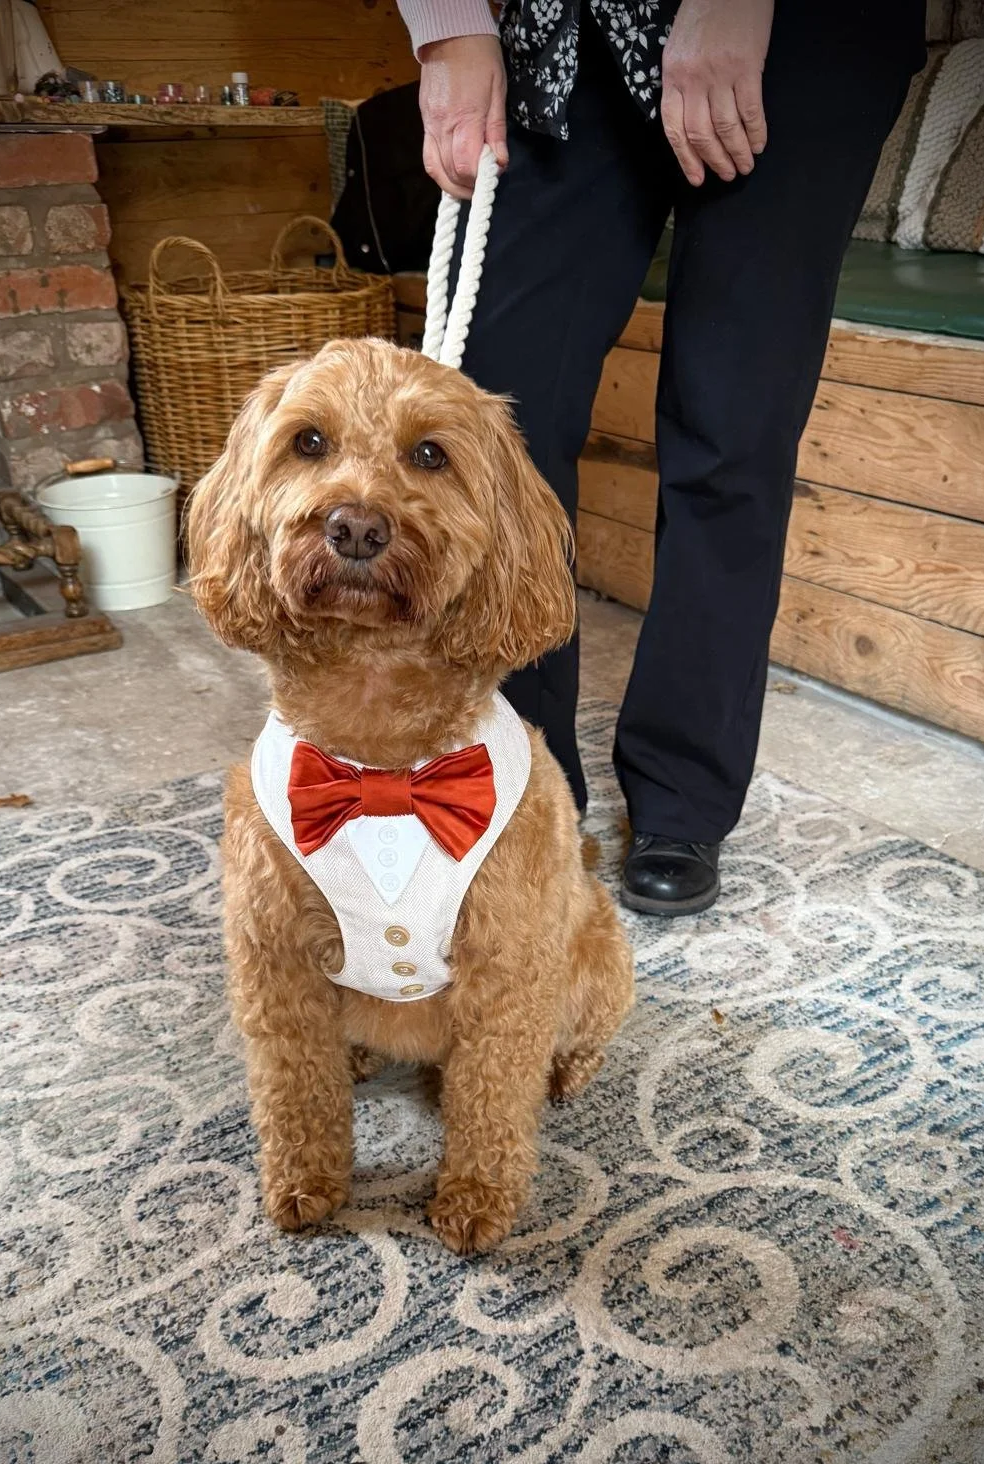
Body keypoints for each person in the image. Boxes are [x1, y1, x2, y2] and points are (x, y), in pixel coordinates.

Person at [396, 0, 926, 915]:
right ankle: (516, 778)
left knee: (732, 429)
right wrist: (447, 28)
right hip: (562, 31)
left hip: (800, 37)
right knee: (491, 425)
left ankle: (684, 796)